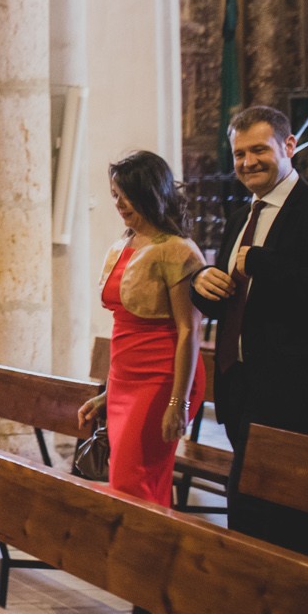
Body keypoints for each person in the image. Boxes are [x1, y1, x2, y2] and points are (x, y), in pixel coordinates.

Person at [186, 105, 308, 614]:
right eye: (239, 155)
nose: (248, 163)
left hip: (291, 392)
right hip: (243, 385)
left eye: (259, 150)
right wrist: (206, 289)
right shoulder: (246, 214)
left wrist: (259, 261)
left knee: (254, 514)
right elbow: (238, 298)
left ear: (288, 145)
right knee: (293, 519)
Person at [77, 151, 206, 509]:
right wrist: (108, 393)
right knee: (125, 482)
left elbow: (189, 331)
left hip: (163, 379)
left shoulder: (178, 251)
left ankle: (149, 561)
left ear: (152, 191)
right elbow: (124, 334)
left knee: (135, 485)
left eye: (127, 194)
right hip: (125, 382)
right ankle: (136, 561)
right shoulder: (123, 246)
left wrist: (177, 403)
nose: (119, 203)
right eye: (115, 195)